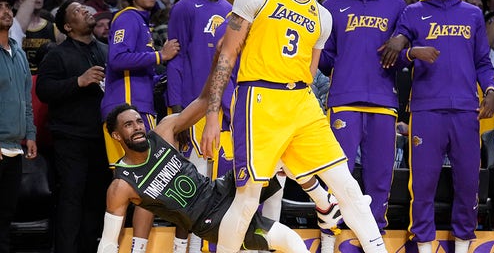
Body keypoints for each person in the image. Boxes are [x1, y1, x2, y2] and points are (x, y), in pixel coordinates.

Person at [201, 0, 388, 253]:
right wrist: (211, 114)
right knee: (248, 199)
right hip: (259, 98)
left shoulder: (322, 15)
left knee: (348, 187)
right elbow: (227, 55)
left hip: (301, 102)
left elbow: (310, 74)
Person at [96, 103, 324, 253]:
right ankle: (326, 206)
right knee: (287, 239)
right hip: (213, 221)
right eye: (128, 125)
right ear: (117, 135)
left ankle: (325, 205)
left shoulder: (162, 133)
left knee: (279, 151)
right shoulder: (121, 185)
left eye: (138, 121)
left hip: (224, 190)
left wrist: (221, 61)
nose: (137, 127)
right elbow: (107, 242)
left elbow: (205, 99)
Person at [388, 0, 494, 253]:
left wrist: (489, 89)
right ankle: (424, 246)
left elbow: (483, 61)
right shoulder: (413, 12)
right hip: (426, 109)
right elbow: (392, 56)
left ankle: (462, 246)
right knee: (422, 185)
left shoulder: (472, 13)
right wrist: (411, 52)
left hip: (465, 109)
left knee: (468, 183)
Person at [318, 0, 406, 253]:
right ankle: (330, 234)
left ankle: (374, 237)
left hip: (384, 100)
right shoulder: (331, 4)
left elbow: (406, 53)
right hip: (344, 98)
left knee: (380, 175)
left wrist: (401, 49)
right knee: (338, 174)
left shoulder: (396, 5)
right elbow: (325, 56)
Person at [100, 0, 180, 253]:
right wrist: (161, 56)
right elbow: (117, 58)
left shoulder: (142, 24)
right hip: (127, 111)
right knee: (134, 183)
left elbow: (136, 67)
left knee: (139, 183)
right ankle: (117, 247)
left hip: (139, 107)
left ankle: (127, 247)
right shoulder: (128, 17)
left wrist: (158, 78)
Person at [166, 0, 233, 253]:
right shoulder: (184, 6)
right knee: (192, 181)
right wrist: (176, 110)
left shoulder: (230, 9)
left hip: (224, 107)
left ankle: (208, 245)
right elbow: (175, 59)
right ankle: (185, 247)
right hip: (193, 105)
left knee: (217, 180)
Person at [35, 0, 112, 253]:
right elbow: (44, 90)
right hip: (71, 139)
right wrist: (78, 81)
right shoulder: (57, 53)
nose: (86, 11)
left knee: (95, 201)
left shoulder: (106, 50)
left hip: (102, 138)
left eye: (86, 8)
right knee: (71, 200)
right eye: (78, 11)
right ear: (67, 26)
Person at [0, 0, 37, 253]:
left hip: (14, 146)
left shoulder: (19, 52)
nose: (6, 11)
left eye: (8, 6)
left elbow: (26, 99)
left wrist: (31, 135)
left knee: (6, 215)